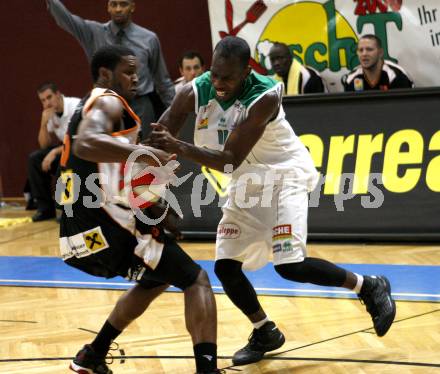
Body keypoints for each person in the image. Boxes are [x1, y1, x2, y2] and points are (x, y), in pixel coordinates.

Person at [149, 36, 396, 367]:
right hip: (245, 183)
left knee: (290, 266)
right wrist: (149, 192)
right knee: (226, 267)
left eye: (228, 78)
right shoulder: (194, 90)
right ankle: (265, 331)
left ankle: (369, 287)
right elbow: (157, 142)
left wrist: (177, 146)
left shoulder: (264, 96)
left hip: (283, 177)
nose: (219, 84)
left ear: (245, 71)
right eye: (215, 74)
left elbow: (228, 159)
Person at [58, 45, 220, 374]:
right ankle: (207, 370)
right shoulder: (106, 101)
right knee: (197, 280)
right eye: (128, 72)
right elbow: (86, 144)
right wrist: (142, 152)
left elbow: (111, 178)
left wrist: (156, 210)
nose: (136, 77)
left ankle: (92, 354)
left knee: (156, 280)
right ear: (105, 74)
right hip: (107, 227)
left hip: (80, 234)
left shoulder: (90, 108)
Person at [46, 0, 175, 138]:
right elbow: (66, 19)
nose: (118, 9)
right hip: (106, 105)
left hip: (140, 105)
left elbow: (163, 81)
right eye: (114, 4)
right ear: (108, 7)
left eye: (123, 4)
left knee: (143, 155)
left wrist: (176, 112)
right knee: (108, 155)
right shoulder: (93, 33)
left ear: (132, 6)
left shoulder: (149, 39)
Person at [28, 82, 80, 221]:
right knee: (35, 159)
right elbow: (44, 145)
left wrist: (54, 152)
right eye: (43, 100)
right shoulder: (50, 113)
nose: (47, 103)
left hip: (81, 151)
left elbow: (77, 140)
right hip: (65, 149)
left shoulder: (75, 106)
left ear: (58, 94)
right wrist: (43, 123)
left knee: (66, 159)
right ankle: (45, 209)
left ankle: (67, 208)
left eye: (49, 97)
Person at [342, 34, 414, 91]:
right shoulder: (351, 78)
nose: (364, 54)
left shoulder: (396, 75)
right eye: (360, 50)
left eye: (369, 49)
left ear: (380, 53)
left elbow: (405, 107)